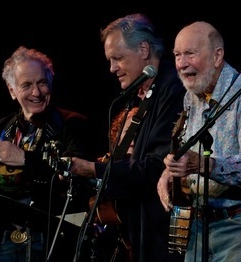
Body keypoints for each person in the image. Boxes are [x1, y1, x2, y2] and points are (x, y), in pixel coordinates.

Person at [68, 13, 186, 262]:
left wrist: (93, 169)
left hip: (162, 235)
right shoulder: (137, 98)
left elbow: (155, 165)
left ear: (144, 49)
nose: (112, 68)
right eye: (110, 60)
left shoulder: (172, 89)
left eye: (117, 58)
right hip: (135, 233)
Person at [157, 21, 241, 261]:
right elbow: (187, 152)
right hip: (198, 224)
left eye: (190, 53)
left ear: (217, 55)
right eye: (177, 55)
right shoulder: (191, 96)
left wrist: (203, 165)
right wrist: (169, 174)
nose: (181, 64)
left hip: (240, 225)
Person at [0, 46, 97, 262]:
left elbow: (78, 175)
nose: (36, 93)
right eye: (26, 85)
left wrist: (24, 159)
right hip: (4, 236)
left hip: (53, 234)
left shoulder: (73, 124)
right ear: (11, 90)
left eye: (42, 83)